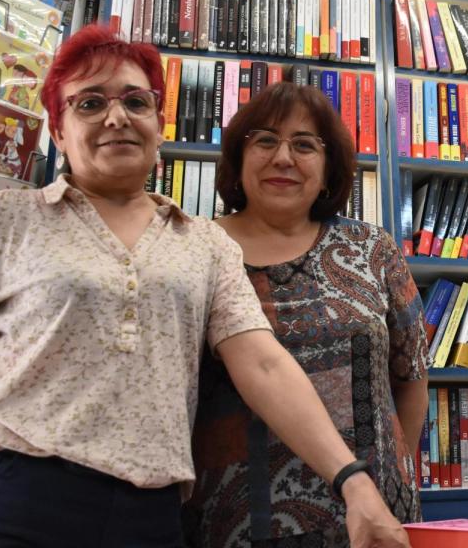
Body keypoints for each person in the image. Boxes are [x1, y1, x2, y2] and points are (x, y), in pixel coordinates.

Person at [0, 25, 408, 548]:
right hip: (7, 493)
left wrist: (352, 479)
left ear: (158, 123)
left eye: (135, 101)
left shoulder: (204, 243)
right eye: (89, 103)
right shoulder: (5, 216)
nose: (116, 117)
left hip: (148, 513)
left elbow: (264, 364)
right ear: (58, 130)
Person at [183, 82, 429, 547]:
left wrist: (397, 473)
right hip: (233, 523)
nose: (283, 158)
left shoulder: (371, 249)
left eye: (304, 145)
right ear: (237, 159)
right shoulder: (196, 250)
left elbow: (411, 373)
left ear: (329, 169)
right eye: (265, 141)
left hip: (375, 515)